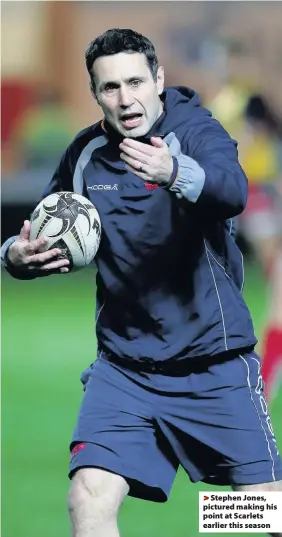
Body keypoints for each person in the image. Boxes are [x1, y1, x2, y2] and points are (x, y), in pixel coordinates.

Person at [1, 29, 282, 537]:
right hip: (126, 371)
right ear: (95, 94)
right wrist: (16, 257)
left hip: (212, 366)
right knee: (88, 495)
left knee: (261, 514)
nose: (125, 98)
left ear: (158, 78)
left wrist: (175, 170)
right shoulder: (86, 153)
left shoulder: (197, 131)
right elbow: (45, 225)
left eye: (135, 81)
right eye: (110, 88)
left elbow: (233, 189)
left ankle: (218, 518)